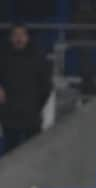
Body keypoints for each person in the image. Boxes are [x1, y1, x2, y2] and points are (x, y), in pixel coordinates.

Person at [0, 23, 52, 154]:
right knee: (10, 154)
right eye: (15, 35)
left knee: (34, 154)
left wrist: (35, 106)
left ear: (27, 37)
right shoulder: (3, 57)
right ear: (10, 38)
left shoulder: (38, 57)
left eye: (22, 35)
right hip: (10, 116)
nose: (18, 38)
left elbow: (46, 87)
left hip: (31, 116)